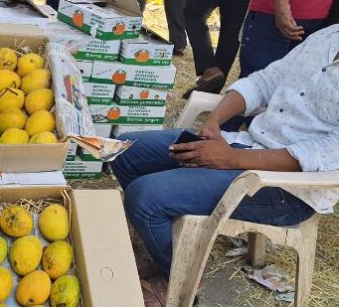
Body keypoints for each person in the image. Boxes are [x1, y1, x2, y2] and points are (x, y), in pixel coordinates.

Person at [112, 24, 339, 305]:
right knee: (125, 151)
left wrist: (230, 158)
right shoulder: (328, 36)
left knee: (145, 197)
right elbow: (265, 82)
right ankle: (171, 254)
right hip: (246, 144)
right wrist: (214, 121)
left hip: (290, 188)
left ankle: (180, 285)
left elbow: (325, 152)